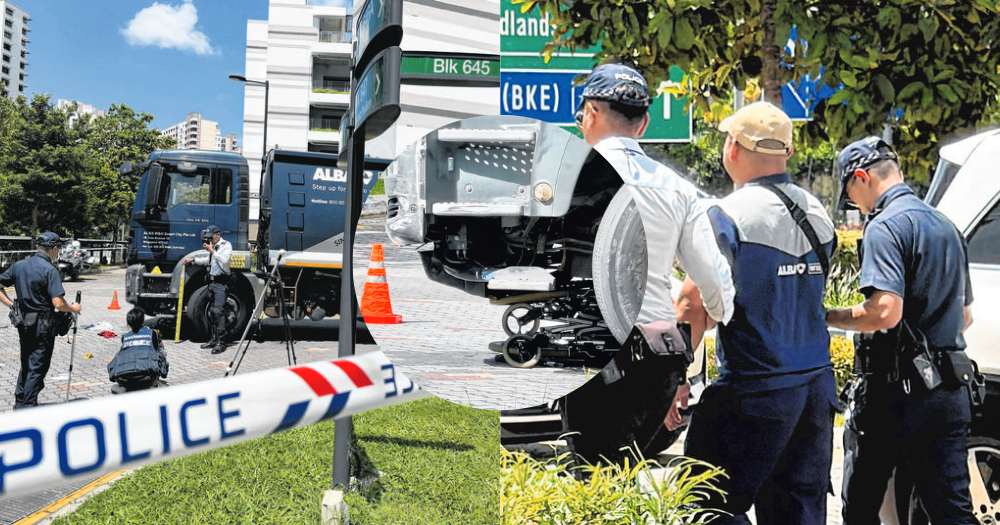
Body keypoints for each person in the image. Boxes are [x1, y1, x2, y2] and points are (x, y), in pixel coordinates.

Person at [560, 62, 735, 466]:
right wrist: (723, 312)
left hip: (591, 349)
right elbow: (713, 281)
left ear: (589, 113)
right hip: (657, 359)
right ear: (643, 123)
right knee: (628, 470)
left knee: (592, 478)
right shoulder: (678, 189)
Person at [672, 102, 839, 524]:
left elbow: (692, 303)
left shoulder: (725, 216)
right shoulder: (818, 213)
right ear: (787, 151)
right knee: (798, 511)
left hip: (752, 392)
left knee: (705, 504)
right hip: (815, 393)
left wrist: (674, 379)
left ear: (733, 147)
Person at [826, 137, 978, 524]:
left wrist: (830, 316)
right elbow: (965, 317)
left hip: (893, 396)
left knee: (861, 505)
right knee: (950, 510)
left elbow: (884, 313)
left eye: (850, 196)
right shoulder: (947, 226)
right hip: (949, 390)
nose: (855, 207)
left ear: (860, 177)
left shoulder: (885, 226)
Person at [0, 232, 83, 409]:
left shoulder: (19, 265)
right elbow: (58, 303)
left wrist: (11, 305)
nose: (58, 251)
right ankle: (28, 409)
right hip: (42, 327)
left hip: (24, 323)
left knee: (26, 363)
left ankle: (19, 403)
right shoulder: (50, 270)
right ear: (54, 248)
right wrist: (74, 308)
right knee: (37, 369)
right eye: (58, 248)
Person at [183, 224, 232, 354]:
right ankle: (213, 339)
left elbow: (224, 260)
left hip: (221, 283)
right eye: (208, 237)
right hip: (211, 283)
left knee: (218, 311)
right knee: (211, 312)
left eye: (212, 237)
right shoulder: (214, 248)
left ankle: (221, 343)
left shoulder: (226, 245)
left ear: (218, 234)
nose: (210, 240)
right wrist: (192, 260)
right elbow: (208, 260)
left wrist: (212, 251)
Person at [109, 308, 169, 392]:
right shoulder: (152, 333)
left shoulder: (125, 337)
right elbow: (162, 347)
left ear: (128, 323)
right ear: (142, 321)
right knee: (161, 351)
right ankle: (155, 383)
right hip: (147, 378)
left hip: (125, 379)